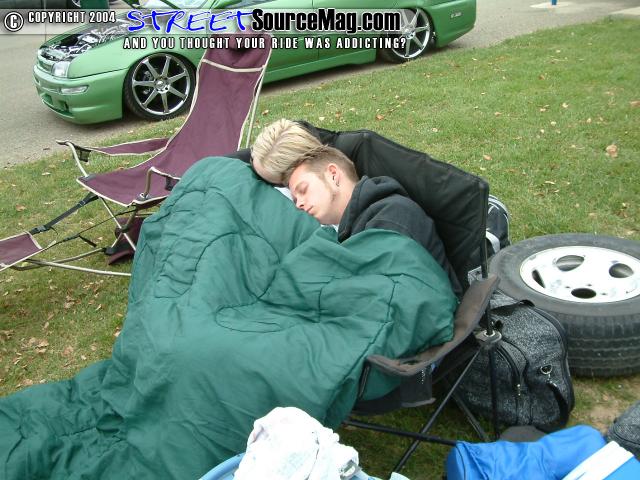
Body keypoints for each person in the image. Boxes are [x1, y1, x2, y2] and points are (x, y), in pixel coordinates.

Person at [282, 144, 462, 297]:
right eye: (295, 200)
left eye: (303, 190)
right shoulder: (350, 230)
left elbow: (390, 300)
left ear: (333, 174)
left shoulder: (391, 216)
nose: (299, 204)